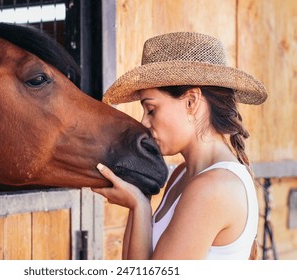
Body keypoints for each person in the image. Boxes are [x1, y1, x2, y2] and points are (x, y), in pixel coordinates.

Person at [92, 32, 268, 260]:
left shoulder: (213, 187)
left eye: (151, 109)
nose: (144, 122)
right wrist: (139, 203)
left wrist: (139, 206)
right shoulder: (182, 175)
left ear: (191, 102)